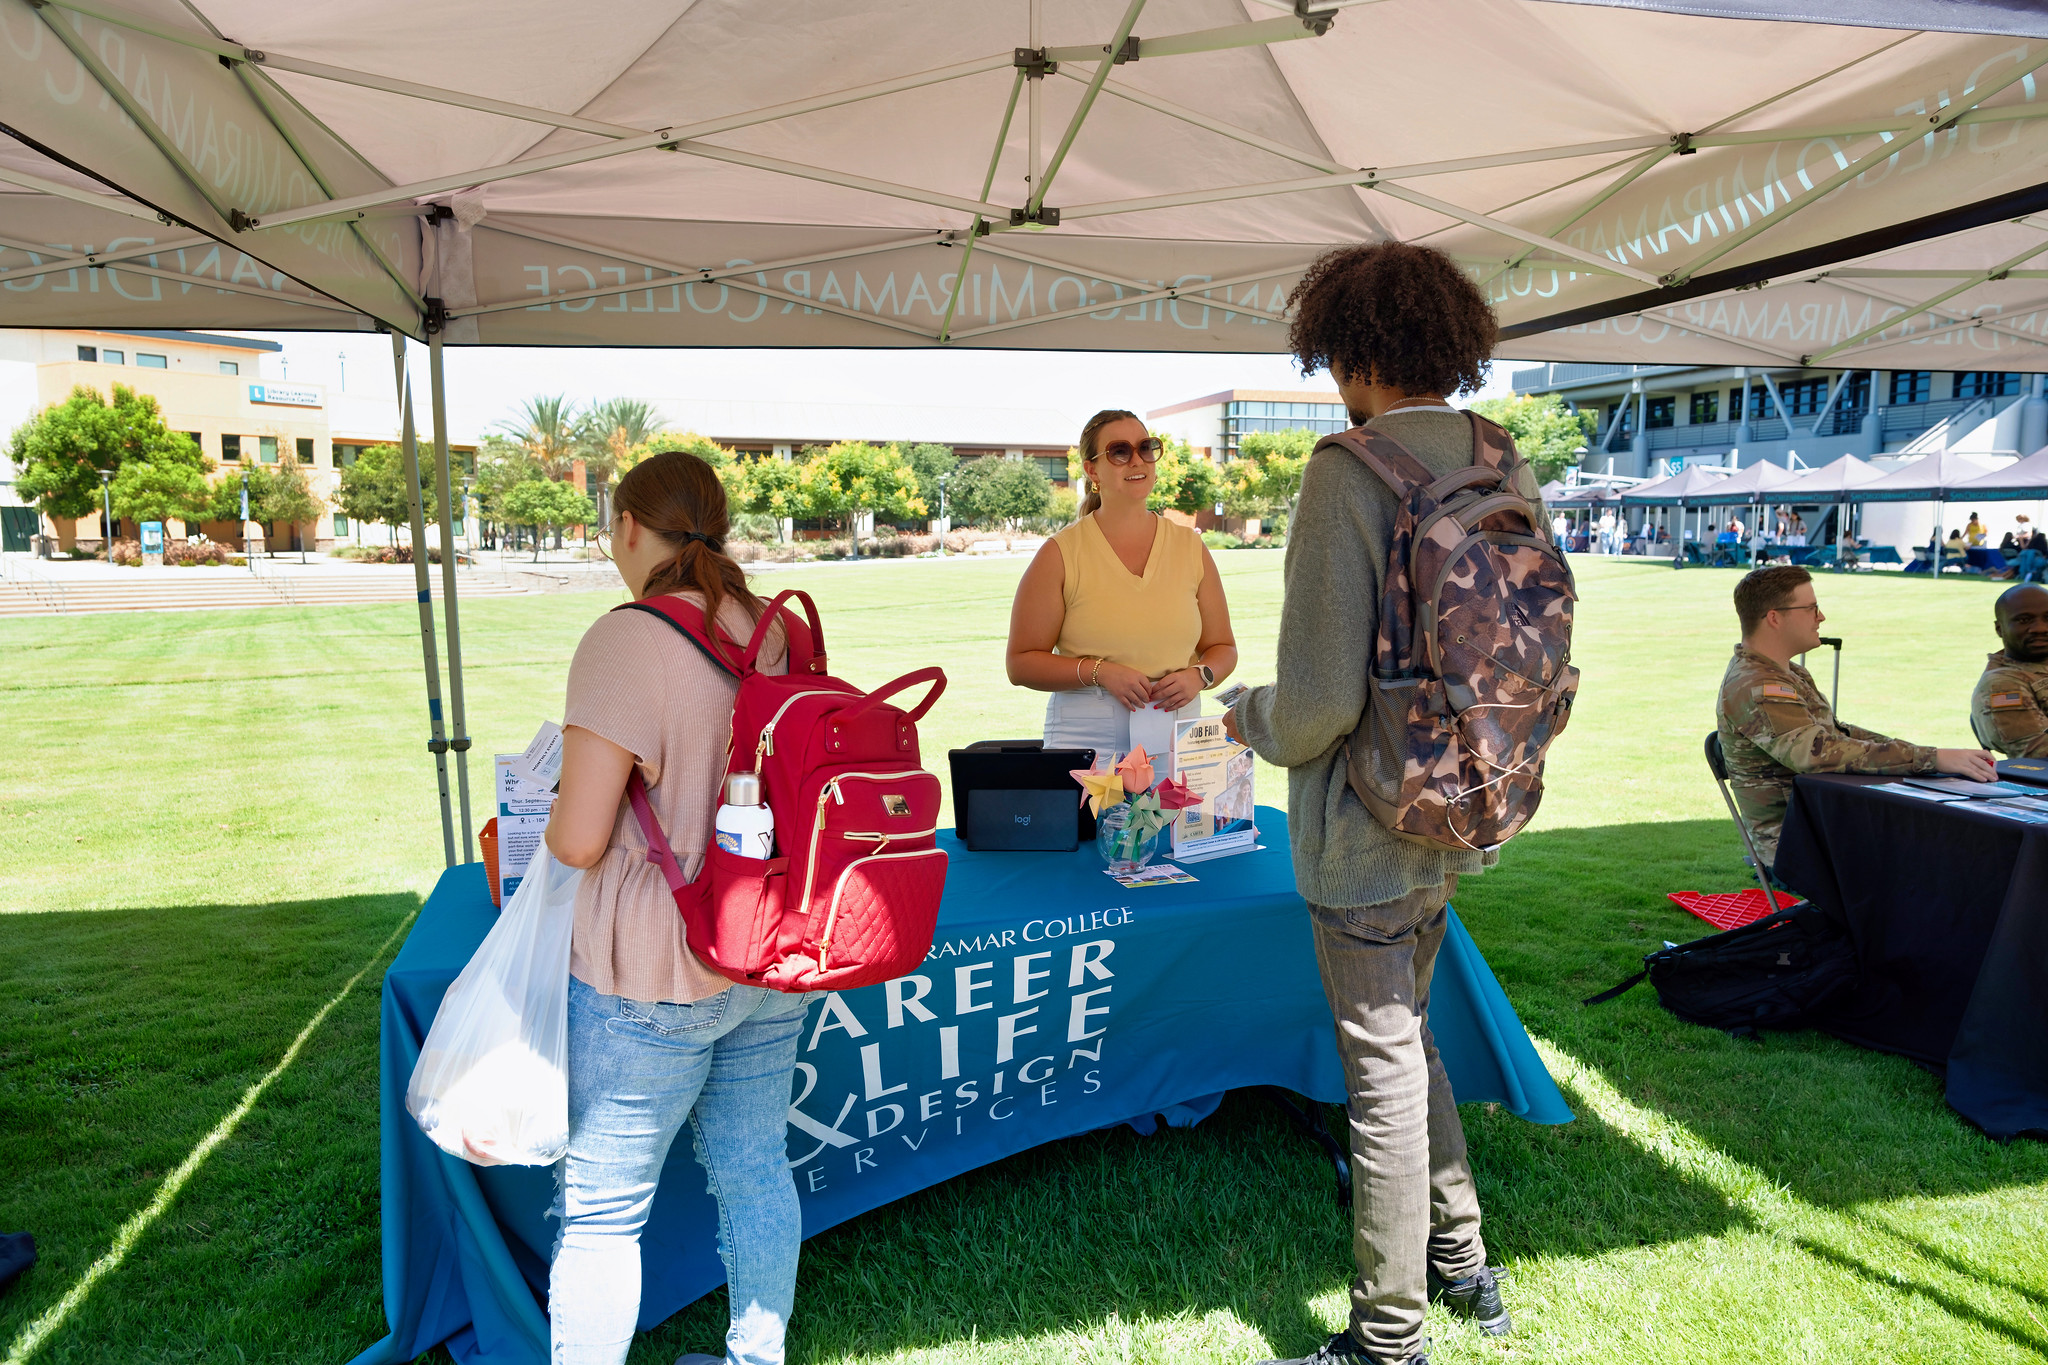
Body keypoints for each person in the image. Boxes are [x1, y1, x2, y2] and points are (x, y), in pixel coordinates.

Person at [1222, 240, 1520, 1365]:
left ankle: (1388, 1337)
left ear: (1347, 349)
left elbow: (1307, 711)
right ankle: (1461, 1263)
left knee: (1381, 1068)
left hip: (1363, 821)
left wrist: (1238, 711)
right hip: (1468, 801)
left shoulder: (1348, 470)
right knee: (1410, 1037)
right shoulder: (1500, 459)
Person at [544, 451, 808, 1365]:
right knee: (756, 1168)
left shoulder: (625, 637)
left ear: (627, 526)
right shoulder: (772, 630)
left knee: (604, 1208)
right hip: (771, 945)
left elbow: (579, 839)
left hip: (657, 963)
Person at [1717, 566, 1993, 871]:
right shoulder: (1758, 685)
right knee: (1955, 855)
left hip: (1827, 824)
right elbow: (1817, 752)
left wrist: (1934, 758)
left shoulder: (1787, 672)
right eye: (1811, 609)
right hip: (1797, 843)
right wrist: (1931, 759)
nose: (1820, 617)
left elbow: (1838, 735)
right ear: (1774, 618)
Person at [1006, 409, 1238, 758]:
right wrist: (1100, 672)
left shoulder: (1191, 547)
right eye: (1119, 451)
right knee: (1090, 817)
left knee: (1180, 817)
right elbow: (1020, 663)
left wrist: (1199, 676)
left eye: (1146, 448)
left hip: (1177, 733)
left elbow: (1223, 648)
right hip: (1086, 739)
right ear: (1091, 469)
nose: (1137, 461)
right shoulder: (1059, 554)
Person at [1971, 583, 2048, 757]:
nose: (2040, 629)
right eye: (2024, 620)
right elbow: (2038, 753)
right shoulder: (2002, 686)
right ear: (2000, 629)